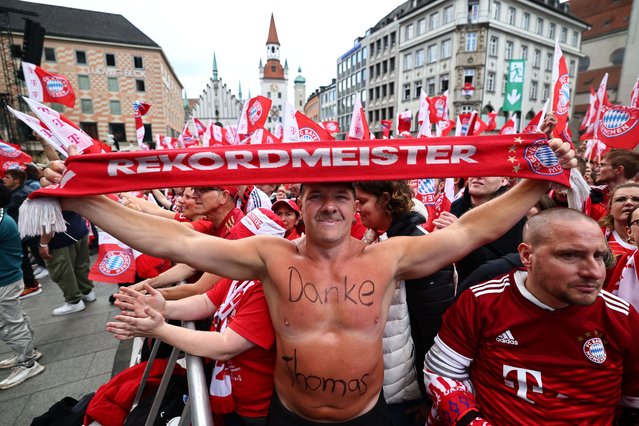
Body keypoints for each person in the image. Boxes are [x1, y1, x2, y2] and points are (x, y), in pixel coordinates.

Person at [44, 139, 575, 424]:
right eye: (316, 195)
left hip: (370, 418)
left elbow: (472, 230)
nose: (328, 205)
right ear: (299, 204)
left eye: (340, 196)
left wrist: (534, 183)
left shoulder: (389, 257)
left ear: (357, 208)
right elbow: (175, 243)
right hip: (289, 416)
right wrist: (84, 201)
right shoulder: (269, 256)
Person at [423, 208, 639, 425]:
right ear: (527, 255)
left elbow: (634, 402)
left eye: (599, 256)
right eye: (570, 255)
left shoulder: (622, 317)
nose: (594, 271)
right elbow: (442, 373)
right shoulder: (482, 302)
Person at [108, 210, 287, 425]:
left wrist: (160, 329)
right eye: (236, 240)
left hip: (254, 407)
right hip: (230, 390)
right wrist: (164, 308)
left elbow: (226, 345)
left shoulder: (269, 289)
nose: (235, 249)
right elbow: (206, 302)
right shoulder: (243, 274)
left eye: (243, 243)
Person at [354, 180, 456, 425]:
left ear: (385, 200)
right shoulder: (376, 240)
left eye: (363, 201)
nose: (357, 209)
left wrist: (429, 397)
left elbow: (435, 331)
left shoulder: (422, 247)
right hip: (381, 386)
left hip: (406, 397)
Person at [433, 177, 526, 282]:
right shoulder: (457, 205)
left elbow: (505, 265)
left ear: (504, 180)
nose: (478, 176)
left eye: (488, 172)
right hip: (454, 286)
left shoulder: (512, 213)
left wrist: (461, 234)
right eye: (476, 171)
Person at [0, 183, 45, 389]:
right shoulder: (3, 215)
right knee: (14, 317)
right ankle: (27, 352)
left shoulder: (1, 219)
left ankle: (27, 362)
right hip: (7, 278)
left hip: (4, 279)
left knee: (9, 322)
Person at [39, 211, 96, 315]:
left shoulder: (45, 196)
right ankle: (87, 291)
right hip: (78, 228)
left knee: (62, 272)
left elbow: (48, 219)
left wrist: (43, 244)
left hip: (60, 237)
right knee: (81, 265)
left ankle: (74, 301)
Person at [2, 168, 43, 298]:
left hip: (24, 231)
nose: (3, 179)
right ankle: (32, 282)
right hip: (23, 231)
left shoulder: (17, 195)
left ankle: (31, 285)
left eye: (7, 177)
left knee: (23, 259)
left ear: (17, 180)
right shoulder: (20, 191)